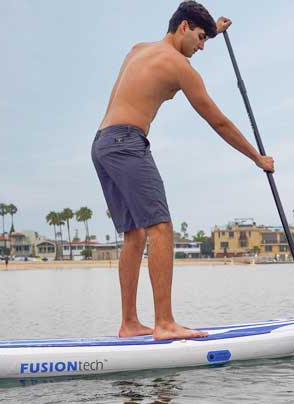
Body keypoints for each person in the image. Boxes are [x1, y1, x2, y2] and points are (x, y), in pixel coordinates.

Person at [92, 1, 274, 340]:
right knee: (160, 228)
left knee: (134, 235)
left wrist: (215, 31)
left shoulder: (138, 49)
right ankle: (164, 323)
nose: (202, 47)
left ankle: (130, 324)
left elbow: (179, 46)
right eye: (201, 38)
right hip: (128, 143)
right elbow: (217, 121)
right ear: (184, 27)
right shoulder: (181, 67)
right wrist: (256, 157)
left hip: (102, 143)